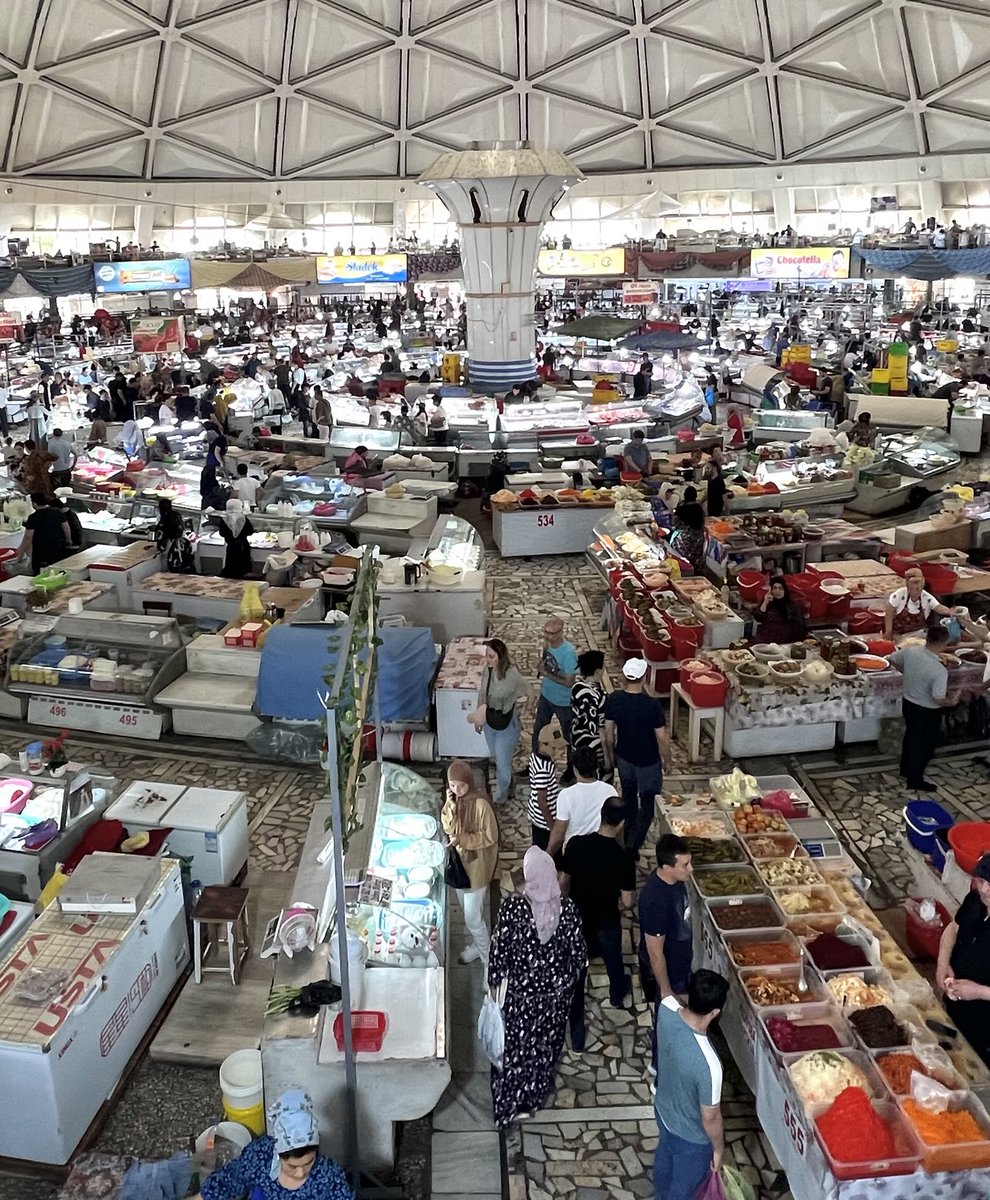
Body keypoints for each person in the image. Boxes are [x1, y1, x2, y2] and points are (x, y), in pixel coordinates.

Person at [488, 847, 588, 1124]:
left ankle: (509, 1104)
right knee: (545, 1046)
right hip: (555, 1000)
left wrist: (494, 984)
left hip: (520, 999)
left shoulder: (513, 910)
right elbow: (579, 955)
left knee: (515, 1048)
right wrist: (565, 983)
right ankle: (533, 1097)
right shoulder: (567, 910)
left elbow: (498, 953)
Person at [193, 1088, 352, 1200]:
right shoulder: (261, 1157)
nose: (300, 1173)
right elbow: (229, 1180)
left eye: (309, 1162)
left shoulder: (329, 1176)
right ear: (278, 1153)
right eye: (292, 1166)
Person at [562, 795, 635, 1037]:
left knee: (577, 977)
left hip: (579, 921)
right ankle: (616, 993)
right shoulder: (623, 858)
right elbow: (627, 900)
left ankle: (577, 1031)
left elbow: (564, 883)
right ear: (621, 823)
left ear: (601, 815)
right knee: (614, 959)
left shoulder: (575, 845)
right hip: (607, 920)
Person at [653, 970, 729, 1200]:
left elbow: (667, 994)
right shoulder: (710, 1065)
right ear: (715, 1012)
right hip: (691, 1139)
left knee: (664, 1166)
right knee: (683, 1191)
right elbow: (710, 1117)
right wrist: (718, 1148)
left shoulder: (665, 1011)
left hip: (663, 1112)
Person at [640, 834, 695, 1078]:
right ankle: (661, 1073)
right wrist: (666, 990)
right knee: (668, 1023)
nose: (690, 869)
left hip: (680, 962)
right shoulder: (656, 899)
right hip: (668, 971)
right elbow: (654, 950)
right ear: (666, 866)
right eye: (685, 865)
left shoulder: (675, 882)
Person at [603, 658, 670, 854]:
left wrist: (610, 756)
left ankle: (627, 835)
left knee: (629, 798)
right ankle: (634, 844)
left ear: (624, 677)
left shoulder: (614, 700)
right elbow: (662, 738)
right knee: (648, 805)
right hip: (648, 763)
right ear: (644, 677)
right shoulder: (652, 706)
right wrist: (668, 760)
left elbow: (608, 735)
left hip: (624, 759)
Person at [441, 760, 499, 967]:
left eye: (461, 785)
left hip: (476, 869)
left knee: (473, 919)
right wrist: (451, 805)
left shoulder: (481, 804)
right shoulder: (455, 800)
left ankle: (488, 962)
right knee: (471, 913)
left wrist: (463, 839)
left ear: (469, 782)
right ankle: (479, 945)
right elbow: (448, 826)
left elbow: (490, 836)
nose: (458, 789)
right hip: (460, 866)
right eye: (453, 785)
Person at [936, 853, 990, 1068]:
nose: (986, 889)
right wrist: (943, 963)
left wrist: (978, 991)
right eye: (983, 881)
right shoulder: (975, 900)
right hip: (956, 1003)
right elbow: (953, 928)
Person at [889, 624, 957, 791]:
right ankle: (915, 779)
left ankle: (905, 769)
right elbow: (938, 699)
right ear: (944, 643)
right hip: (926, 710)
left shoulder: (911, 652)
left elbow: (892, 659)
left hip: (908, 703)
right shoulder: (939, 670)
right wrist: (953, 701)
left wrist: (906, 672)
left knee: (911, 737)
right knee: (924, 746)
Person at [470, 637, 528, 804]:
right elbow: (482, 693)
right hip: (490, 721)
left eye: (492, 656)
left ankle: (500, 797)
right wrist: (478, 718)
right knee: (497, 756)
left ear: (501, 657)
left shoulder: (513, 676)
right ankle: (509, 782)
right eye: (487, 655)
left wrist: (525, 708)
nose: (488, 660)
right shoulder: (487, 670)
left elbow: (529, 692)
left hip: (507, 725)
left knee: (502, 763)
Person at [547, 746, 619, 856]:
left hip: (574, 853)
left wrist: (548, 854)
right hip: (601, 851)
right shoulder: (610, 791)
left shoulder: (566, 796)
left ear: (575, 769)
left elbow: (559, 832)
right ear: (596, 767)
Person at [532, 615, 578, 750]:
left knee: (568, 736)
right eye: (545, 632)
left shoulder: (568, 653)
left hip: (563, 702)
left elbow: (569, 682)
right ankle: (535, 761)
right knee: (538, 730)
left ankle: (571, 767)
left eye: (551, 634)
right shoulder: (547, 644)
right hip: (546, 695)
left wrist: (546, 673)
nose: (547, 636)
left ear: (560, 633)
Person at [884, 567, 959, 640]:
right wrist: (888, 632)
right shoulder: (899, 595)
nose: (918, 587)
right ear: (907, 584)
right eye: (915, 583)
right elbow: (889, 609)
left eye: (920, 583)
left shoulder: (926, 597)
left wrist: (950, 611)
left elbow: (938, 607)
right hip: (899, 636)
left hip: (919, 635)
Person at [570, 649, 607, 772]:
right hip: (594, 747)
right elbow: (599, 730)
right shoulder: (598, 695)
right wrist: (608, 757)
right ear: (597, 671)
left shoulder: (577, 687)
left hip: (577, 738)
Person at [528, 723, 562, 852]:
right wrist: (552, 826)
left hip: (538, 816)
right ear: (543, 744)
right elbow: (542, 801)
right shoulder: (542, 770)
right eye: (555, 747)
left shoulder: (537, 756)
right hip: (543, 821)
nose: (558, 751)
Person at [18, 493, 71, 573]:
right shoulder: (57, 512)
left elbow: (28, 536)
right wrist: (68, 539)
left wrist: (21, 551)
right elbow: (66, 527)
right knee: (57, 571)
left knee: (40, 572)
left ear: (34, 503)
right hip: (58, 546)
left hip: (41, 549)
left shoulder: (33, 517)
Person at [754, 575, 807, 644]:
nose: (777, 591)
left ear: (785, 590)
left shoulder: (791, 606)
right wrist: (765, 602)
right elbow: (758, 618)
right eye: (774, 588)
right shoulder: (768, 602)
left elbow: (798, 628)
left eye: (780, 588)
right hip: (765, 640)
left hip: (784, 642)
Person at [669, 486, 707, 576]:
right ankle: (697, 575)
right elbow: (702, 523)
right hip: (698, 538)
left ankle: (685, 575)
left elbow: (674, 524)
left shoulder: (681, 509)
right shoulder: (699, 508)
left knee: (684, 560)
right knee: (696, 558)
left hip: (684, 539)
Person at [152, 496, 194, 573]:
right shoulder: (176, 514)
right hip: (180, 543)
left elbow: (163, 533)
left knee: (165, 558)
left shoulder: (165, 518)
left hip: (170, 543)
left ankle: (165, 573)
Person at [215, 500, 253, 578]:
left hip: (231, 547)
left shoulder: (225, 518)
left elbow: (222, 533)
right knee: (243, 569)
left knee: (231, 568)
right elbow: (250, 531)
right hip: (243, 546)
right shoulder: (242, 517)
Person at [702, 445, 727, 518]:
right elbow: (708, 493)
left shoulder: (719, 481)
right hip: (710, 509)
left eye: (708, 468)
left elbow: (724, 496)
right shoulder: (710, 480)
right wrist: (700, 503)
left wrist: (727, 510)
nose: (706, 470)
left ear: (714, 468)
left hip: (718, 509)